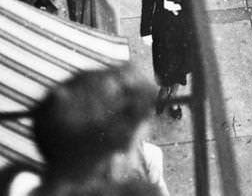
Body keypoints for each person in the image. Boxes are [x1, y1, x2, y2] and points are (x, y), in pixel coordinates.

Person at [29, 64, 169, 196]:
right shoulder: (140, 190)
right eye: (134, 146)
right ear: (113, 161)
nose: (134, 161)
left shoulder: (17, 181)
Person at [140, 0, 192, 119]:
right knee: (163, 63)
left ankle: (174, 96)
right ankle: (164, 90)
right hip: (162, 27)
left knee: (180, 65)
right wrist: (145, 30)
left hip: (184, 26)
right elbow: (148, 1)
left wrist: (181, 4)